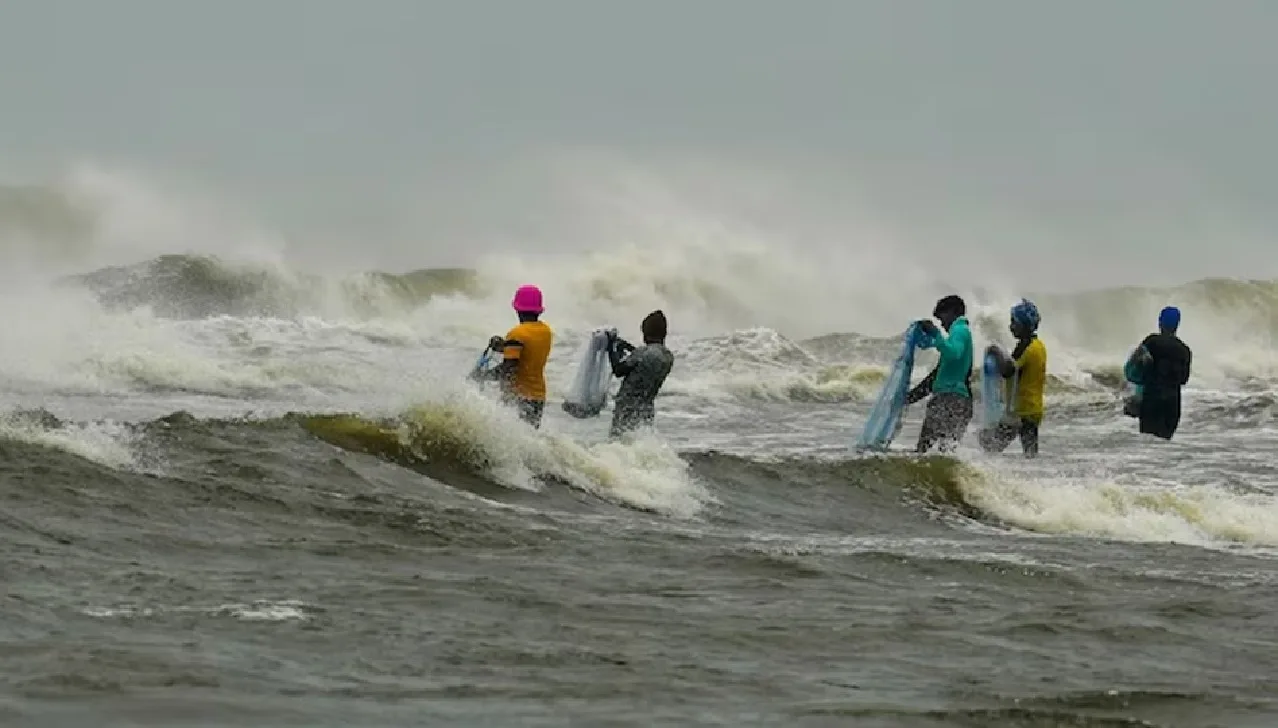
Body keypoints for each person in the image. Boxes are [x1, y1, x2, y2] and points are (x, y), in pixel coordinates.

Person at [474, 285, 554, 428]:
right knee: (529, 439)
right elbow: (528, 351)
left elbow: (510, 367)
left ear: (517, 308)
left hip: (519, 397)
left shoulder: (517, 334)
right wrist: (503, 346)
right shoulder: (545, 331)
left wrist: (484, 375)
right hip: (538, 396)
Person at [906, 295, 975, 453]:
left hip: (949, 399)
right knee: (946, 452)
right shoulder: (960, 334)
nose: (942, 324)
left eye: (942, 317)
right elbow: (935, 377)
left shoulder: (959, 330)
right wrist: (910, 397)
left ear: (953, 312)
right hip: (959, 401)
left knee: (923, 450)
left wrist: (936, 334)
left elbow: (953, 353)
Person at [979, 298, 1047, 457]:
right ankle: (1033, 479)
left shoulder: (1026, 346)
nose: (1011, 326)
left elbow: (1008, 370)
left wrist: (995, 351)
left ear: (1024, 324)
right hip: (1033, 409)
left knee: (989, 444)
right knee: (1030, 454)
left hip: (1020, 412)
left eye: (1014, 322)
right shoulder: (1039, 345)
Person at [605, 310, 675, 438]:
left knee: (618, 441)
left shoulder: (642, 352)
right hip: (646, 408)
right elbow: (645, 359)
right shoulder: (668, 356)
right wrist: (626, 346)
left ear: (646, 333)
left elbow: (618, 370)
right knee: (639, 441)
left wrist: (610, 347)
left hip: (627, 408)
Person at [1130, 305, 1192, 440]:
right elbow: (1183, 380)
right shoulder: (1185, 350)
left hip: (1151, 401)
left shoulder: (1152, 342)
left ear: (1160, 322)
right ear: (1177, 325)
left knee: (1148, 444)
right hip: (1172, 404)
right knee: (1163, 448)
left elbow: (1135, 364)